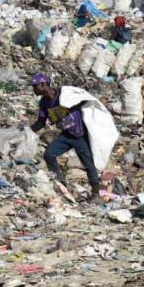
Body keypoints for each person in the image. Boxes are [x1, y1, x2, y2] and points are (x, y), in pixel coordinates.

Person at [29, 73, 101, 202]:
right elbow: (41, 122)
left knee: (88, 163)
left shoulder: (64, 93)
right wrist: (27, 132)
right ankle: (60, 183)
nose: (34, 89)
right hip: (66, 134)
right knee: (49, 154)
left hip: (80, 134)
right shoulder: (44, 102)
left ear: (43, 85)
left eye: (35, 86)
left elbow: (83, 101)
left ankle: (96, 194)